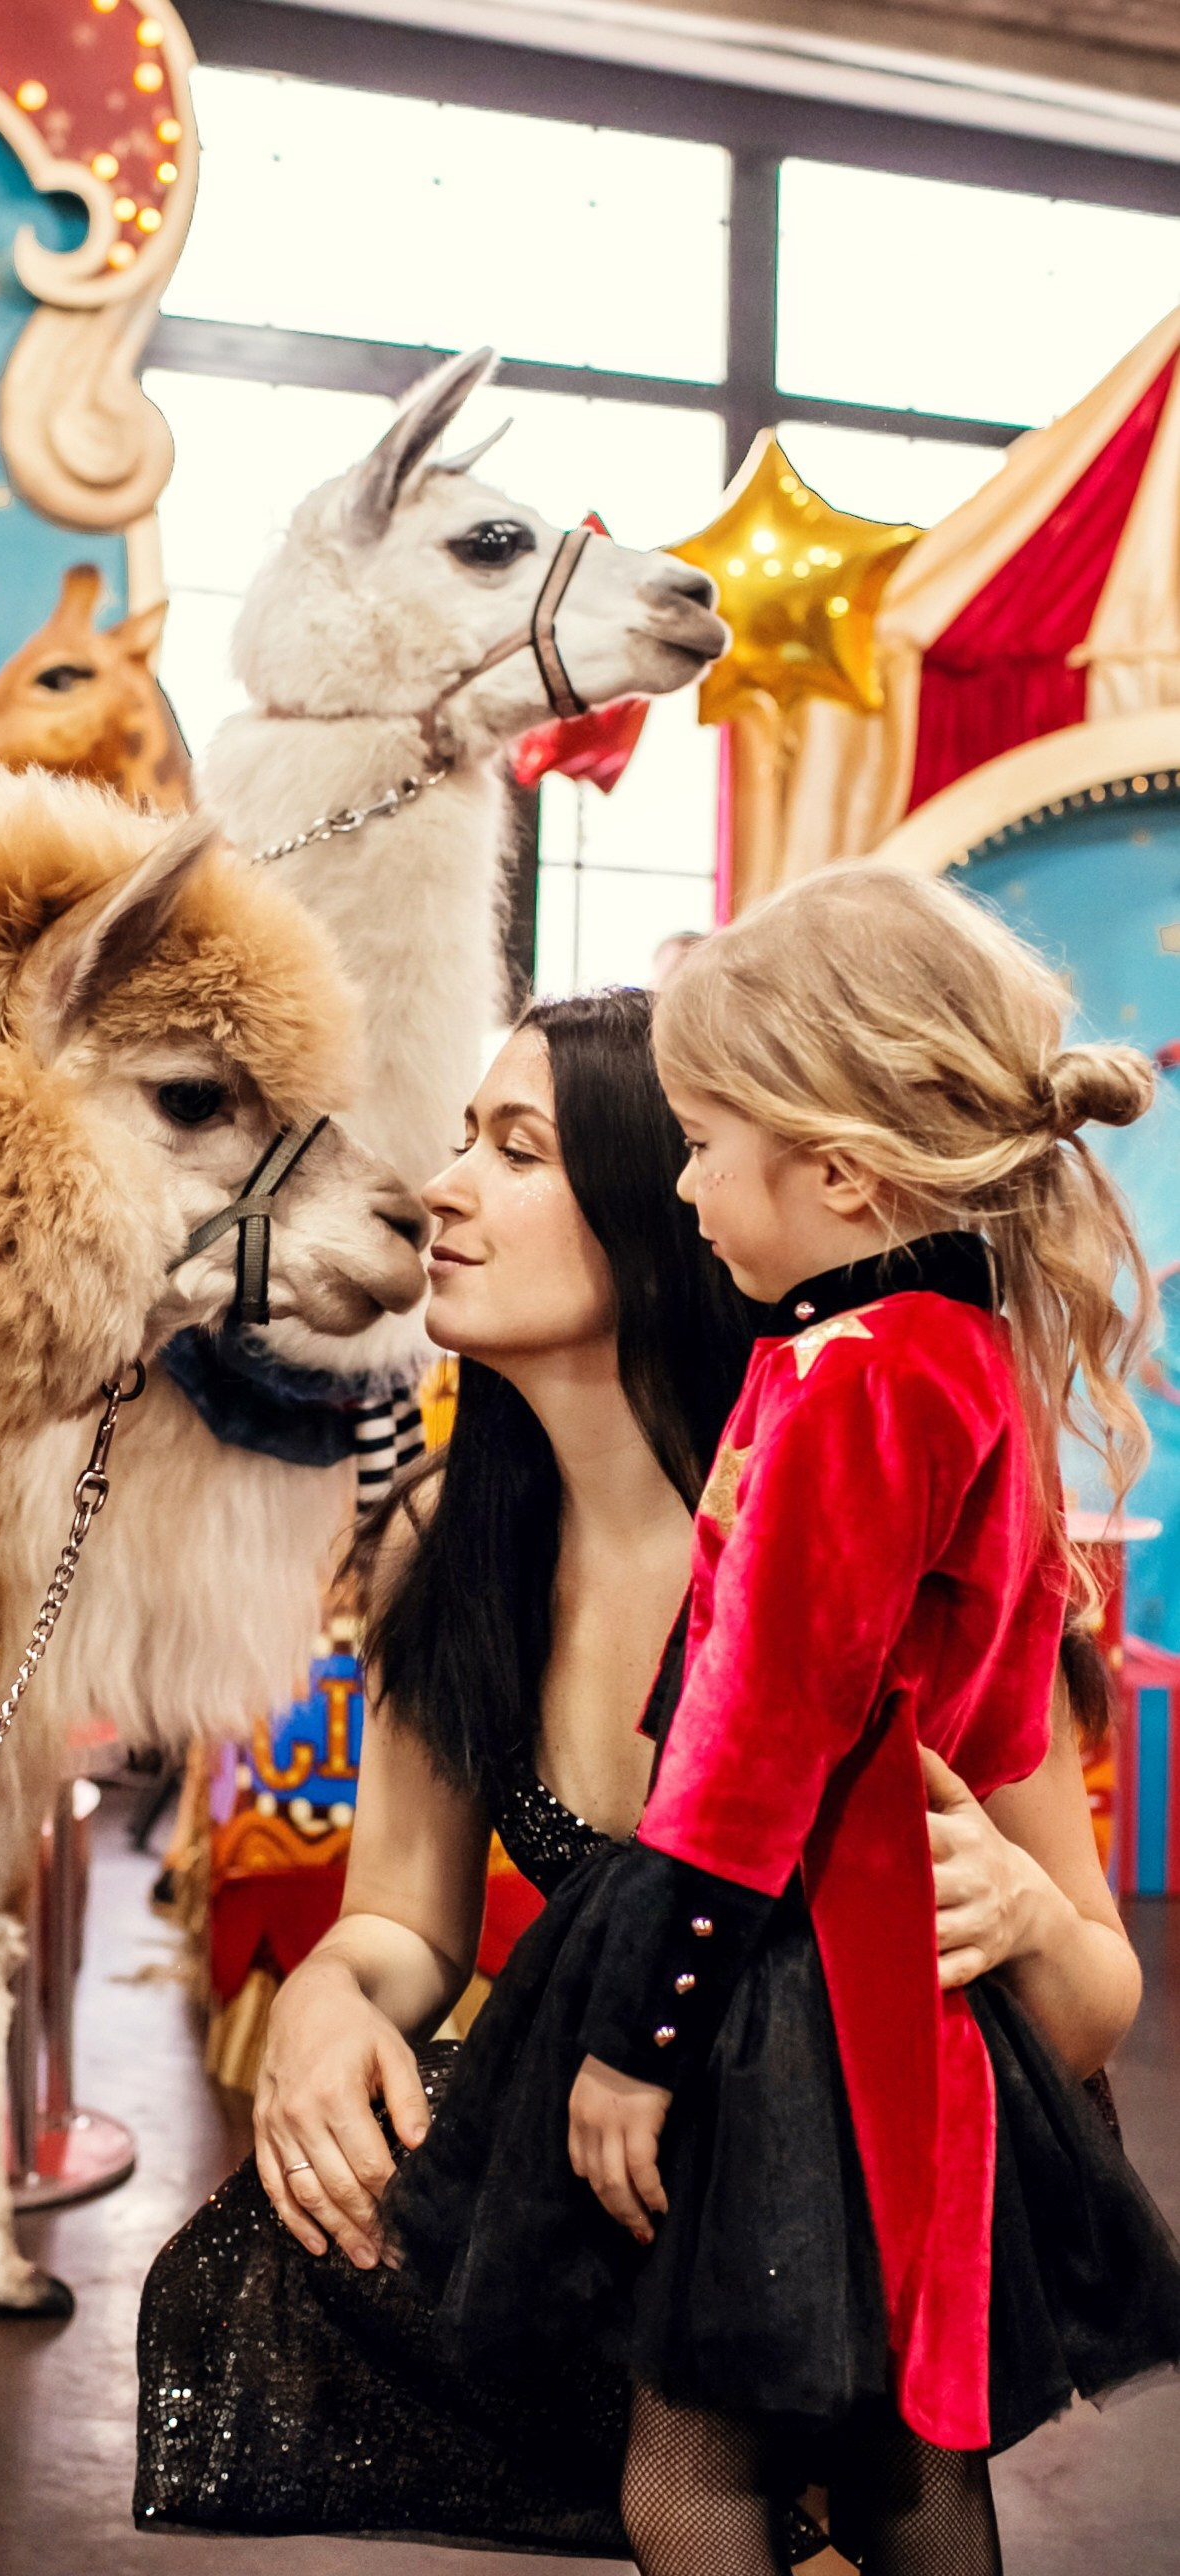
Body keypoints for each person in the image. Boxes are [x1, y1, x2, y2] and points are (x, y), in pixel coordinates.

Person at [137, 958, 1179, 2564]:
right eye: (463, 1137)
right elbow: (399, 1920)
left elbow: (1093, 2004)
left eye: (514, 1148)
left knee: (880, 2495)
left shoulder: (876, 1529)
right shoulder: (444, 1539)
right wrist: (329, 2002)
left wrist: (1026, 1919)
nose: (439, 1188)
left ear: (670, 1199)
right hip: (627, 2173)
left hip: (877, 2185)